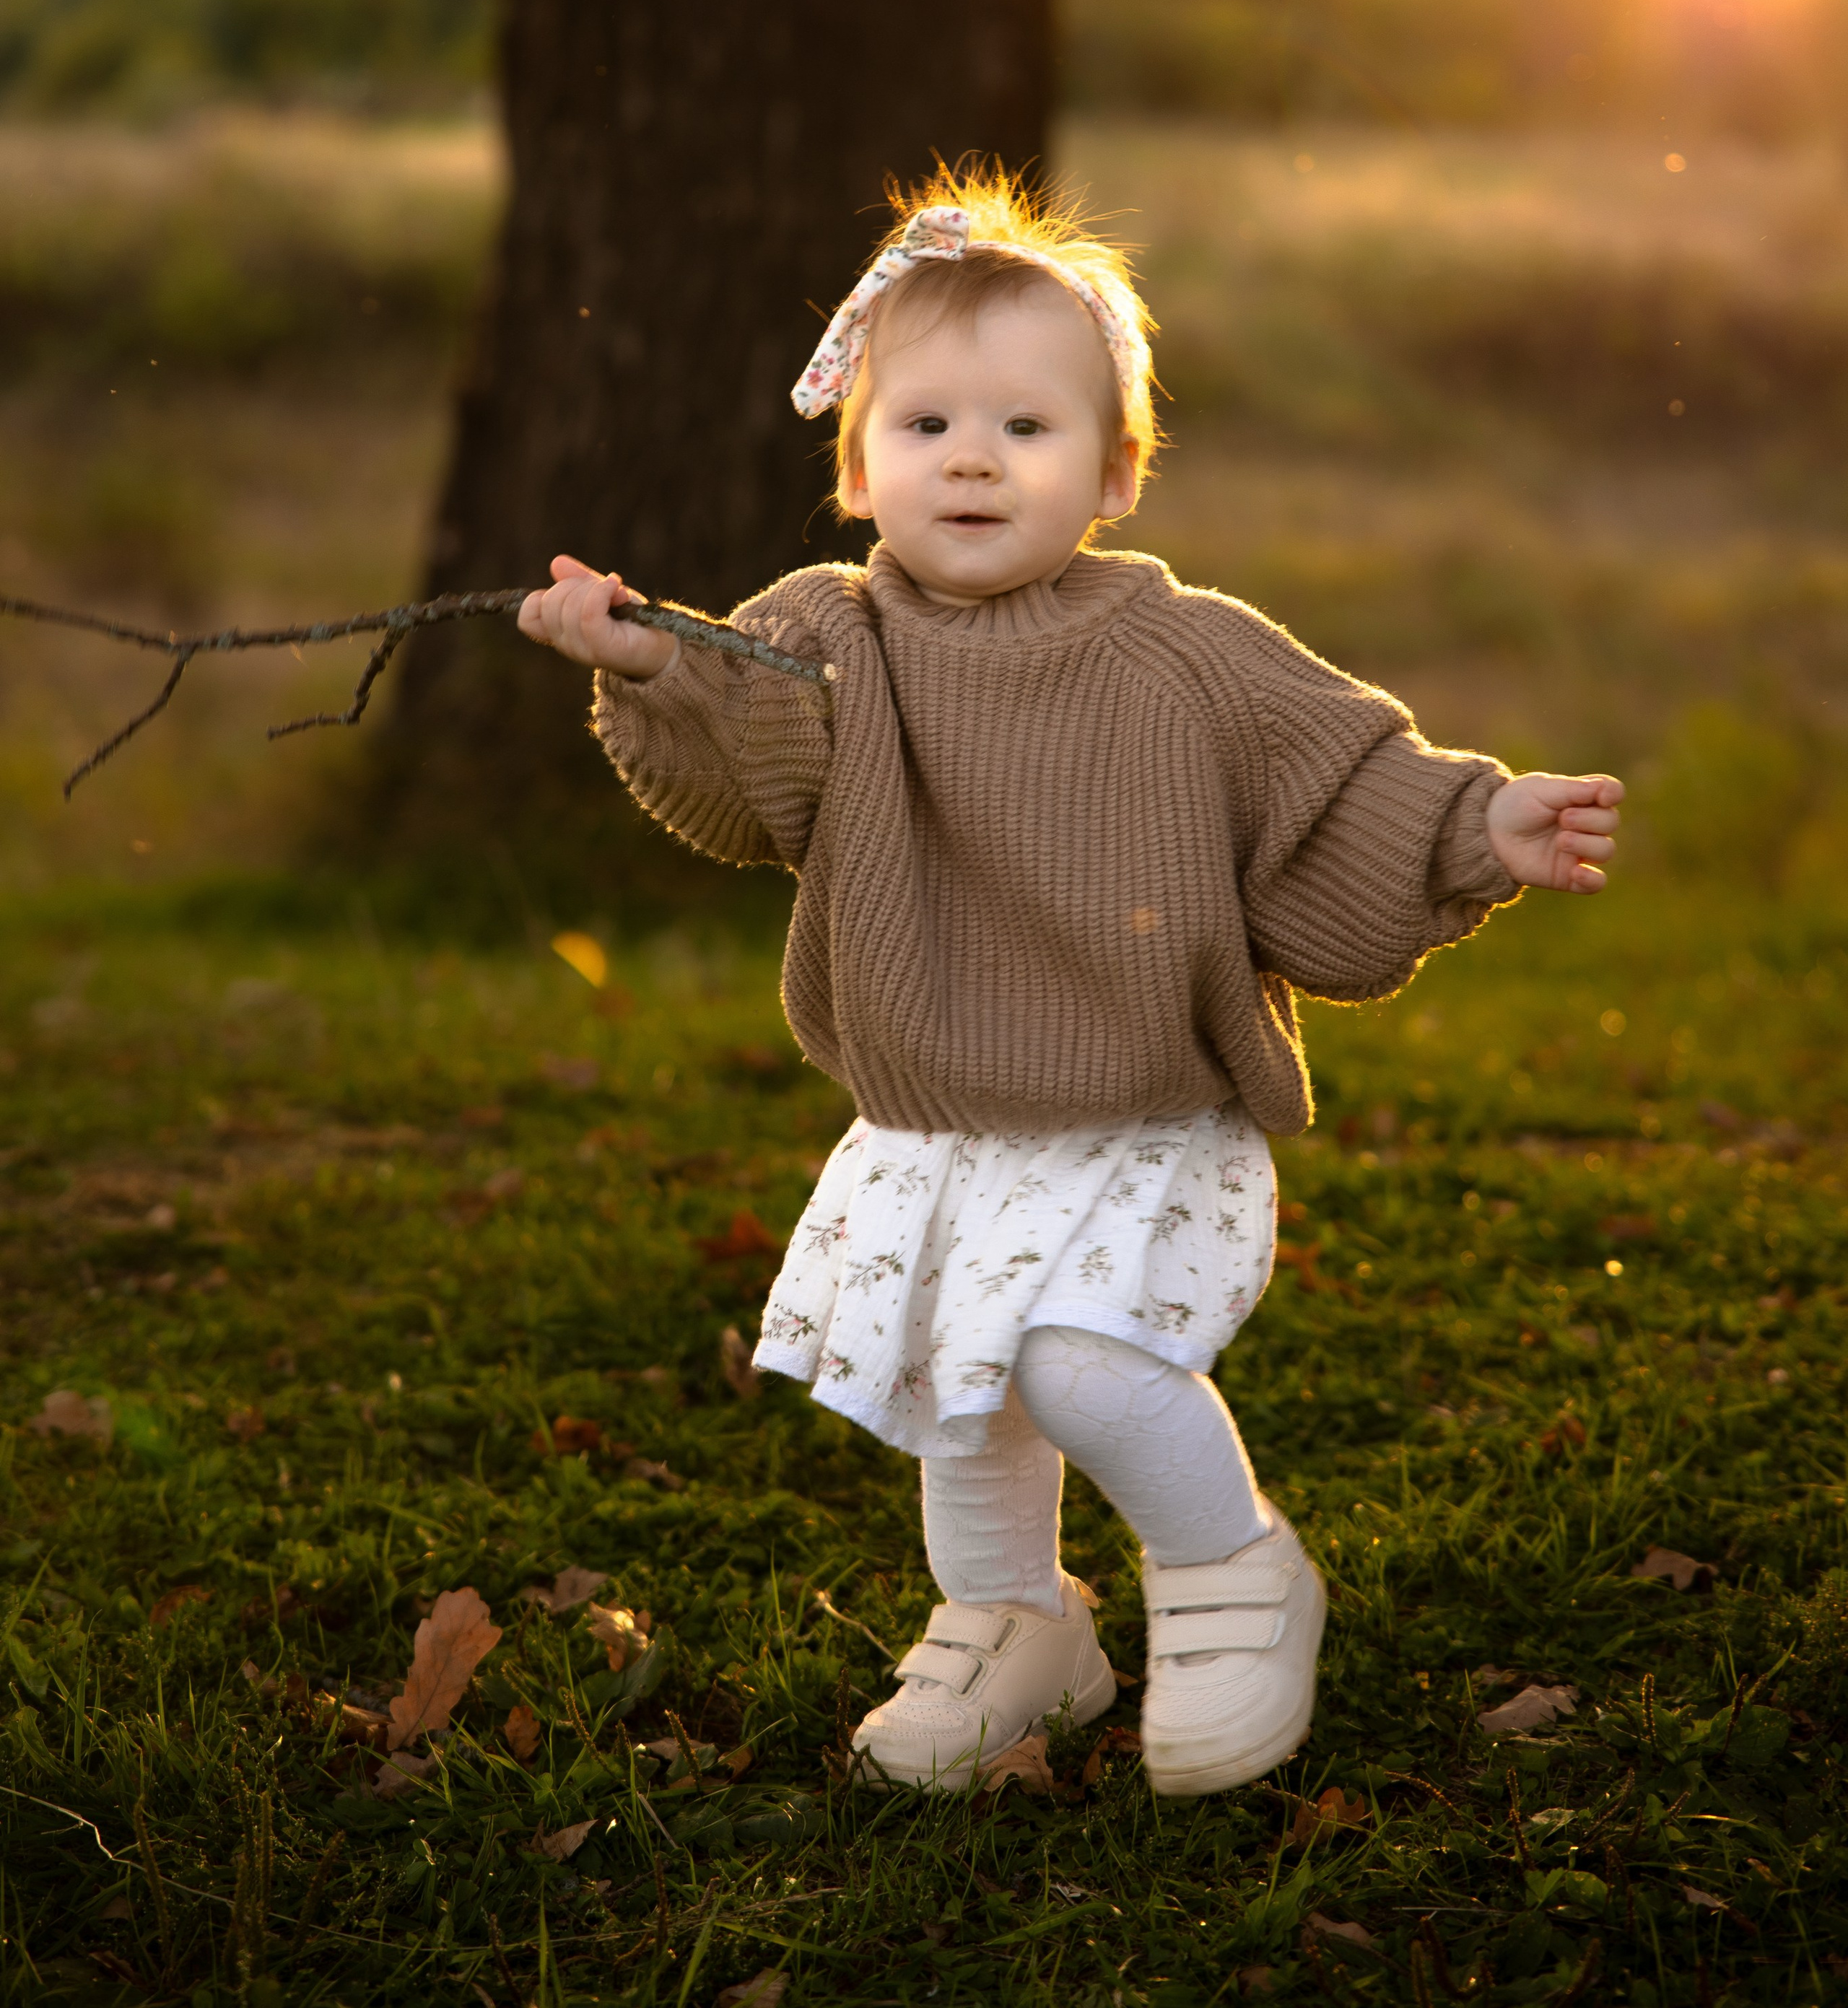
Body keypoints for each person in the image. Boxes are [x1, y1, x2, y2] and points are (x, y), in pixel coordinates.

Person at [518, 168, 1622, 1798]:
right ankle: (1016, 1618)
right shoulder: (819, 639)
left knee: (1071, 1360)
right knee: (964, 1397)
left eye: (1025, 430)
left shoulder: (1182, 649)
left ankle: (1233, 1570)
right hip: (941, 1125)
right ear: (856, 463)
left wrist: (1476, 819)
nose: (970, 456)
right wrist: (652, 666)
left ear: (1112, 472)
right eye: (926, 425)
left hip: (1136, 1111)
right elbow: (749, 783)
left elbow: (1330, 774)